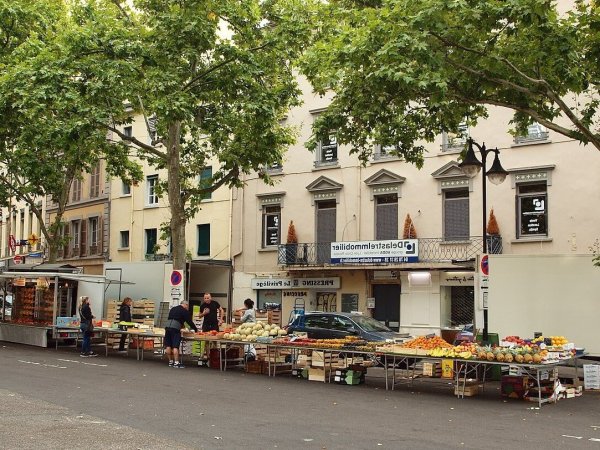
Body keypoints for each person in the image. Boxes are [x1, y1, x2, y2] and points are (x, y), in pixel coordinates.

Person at [164, 300, 198, 368]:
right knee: (175, 346)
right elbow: (189, 321)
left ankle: (170, 361)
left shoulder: (173, 308)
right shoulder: (184, 311)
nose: (187, 308)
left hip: (167, 327)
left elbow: (170, 318)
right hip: (175, 328)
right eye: (187, 306)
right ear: (186, 305)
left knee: (168, 345)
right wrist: (195, 329)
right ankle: (176, 363)